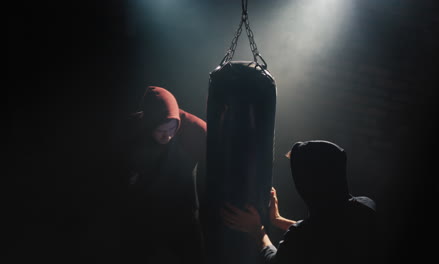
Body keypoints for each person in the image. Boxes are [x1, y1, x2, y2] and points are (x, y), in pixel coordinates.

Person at [222, 140, 377, 264]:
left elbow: (275, 261)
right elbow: (327, 232)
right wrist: (278, 220)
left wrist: (257, 231)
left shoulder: (300, 236)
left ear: (306, 181)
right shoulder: (366, 206)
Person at [117, 86, 207, 264]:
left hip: (183, 209)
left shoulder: (196, 129)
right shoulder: (132, 128)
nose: (167, 135)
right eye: (160, 130)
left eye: (172, 129)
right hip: (145, 208)